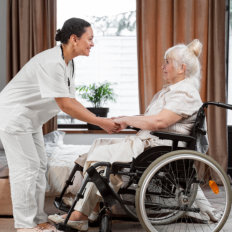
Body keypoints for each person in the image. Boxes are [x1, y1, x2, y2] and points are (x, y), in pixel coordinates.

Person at [48, 39, 204, 231]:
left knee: (102, 158)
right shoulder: (172, 91)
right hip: (153, 144)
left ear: (181, 68)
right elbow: (152, 119)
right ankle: (91, 207)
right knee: (99, 145)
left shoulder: (185, 93)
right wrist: (125, 118)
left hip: (160, 148)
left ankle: (82, 213)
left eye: (167, 62)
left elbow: (159, 122)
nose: (163, 66)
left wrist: (128, 120)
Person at [0, 18, 119, 232]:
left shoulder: (67, 62)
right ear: (74, 39)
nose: (92, 43)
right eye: (90, 39)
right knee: (25, 170)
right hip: (14, 117)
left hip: (30, 120)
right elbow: (65, 105)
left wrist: (99, 120)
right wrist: (100, 121)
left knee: (38, 167)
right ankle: (25, 226)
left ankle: (37, 219)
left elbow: (70, 100)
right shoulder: (52, 62)